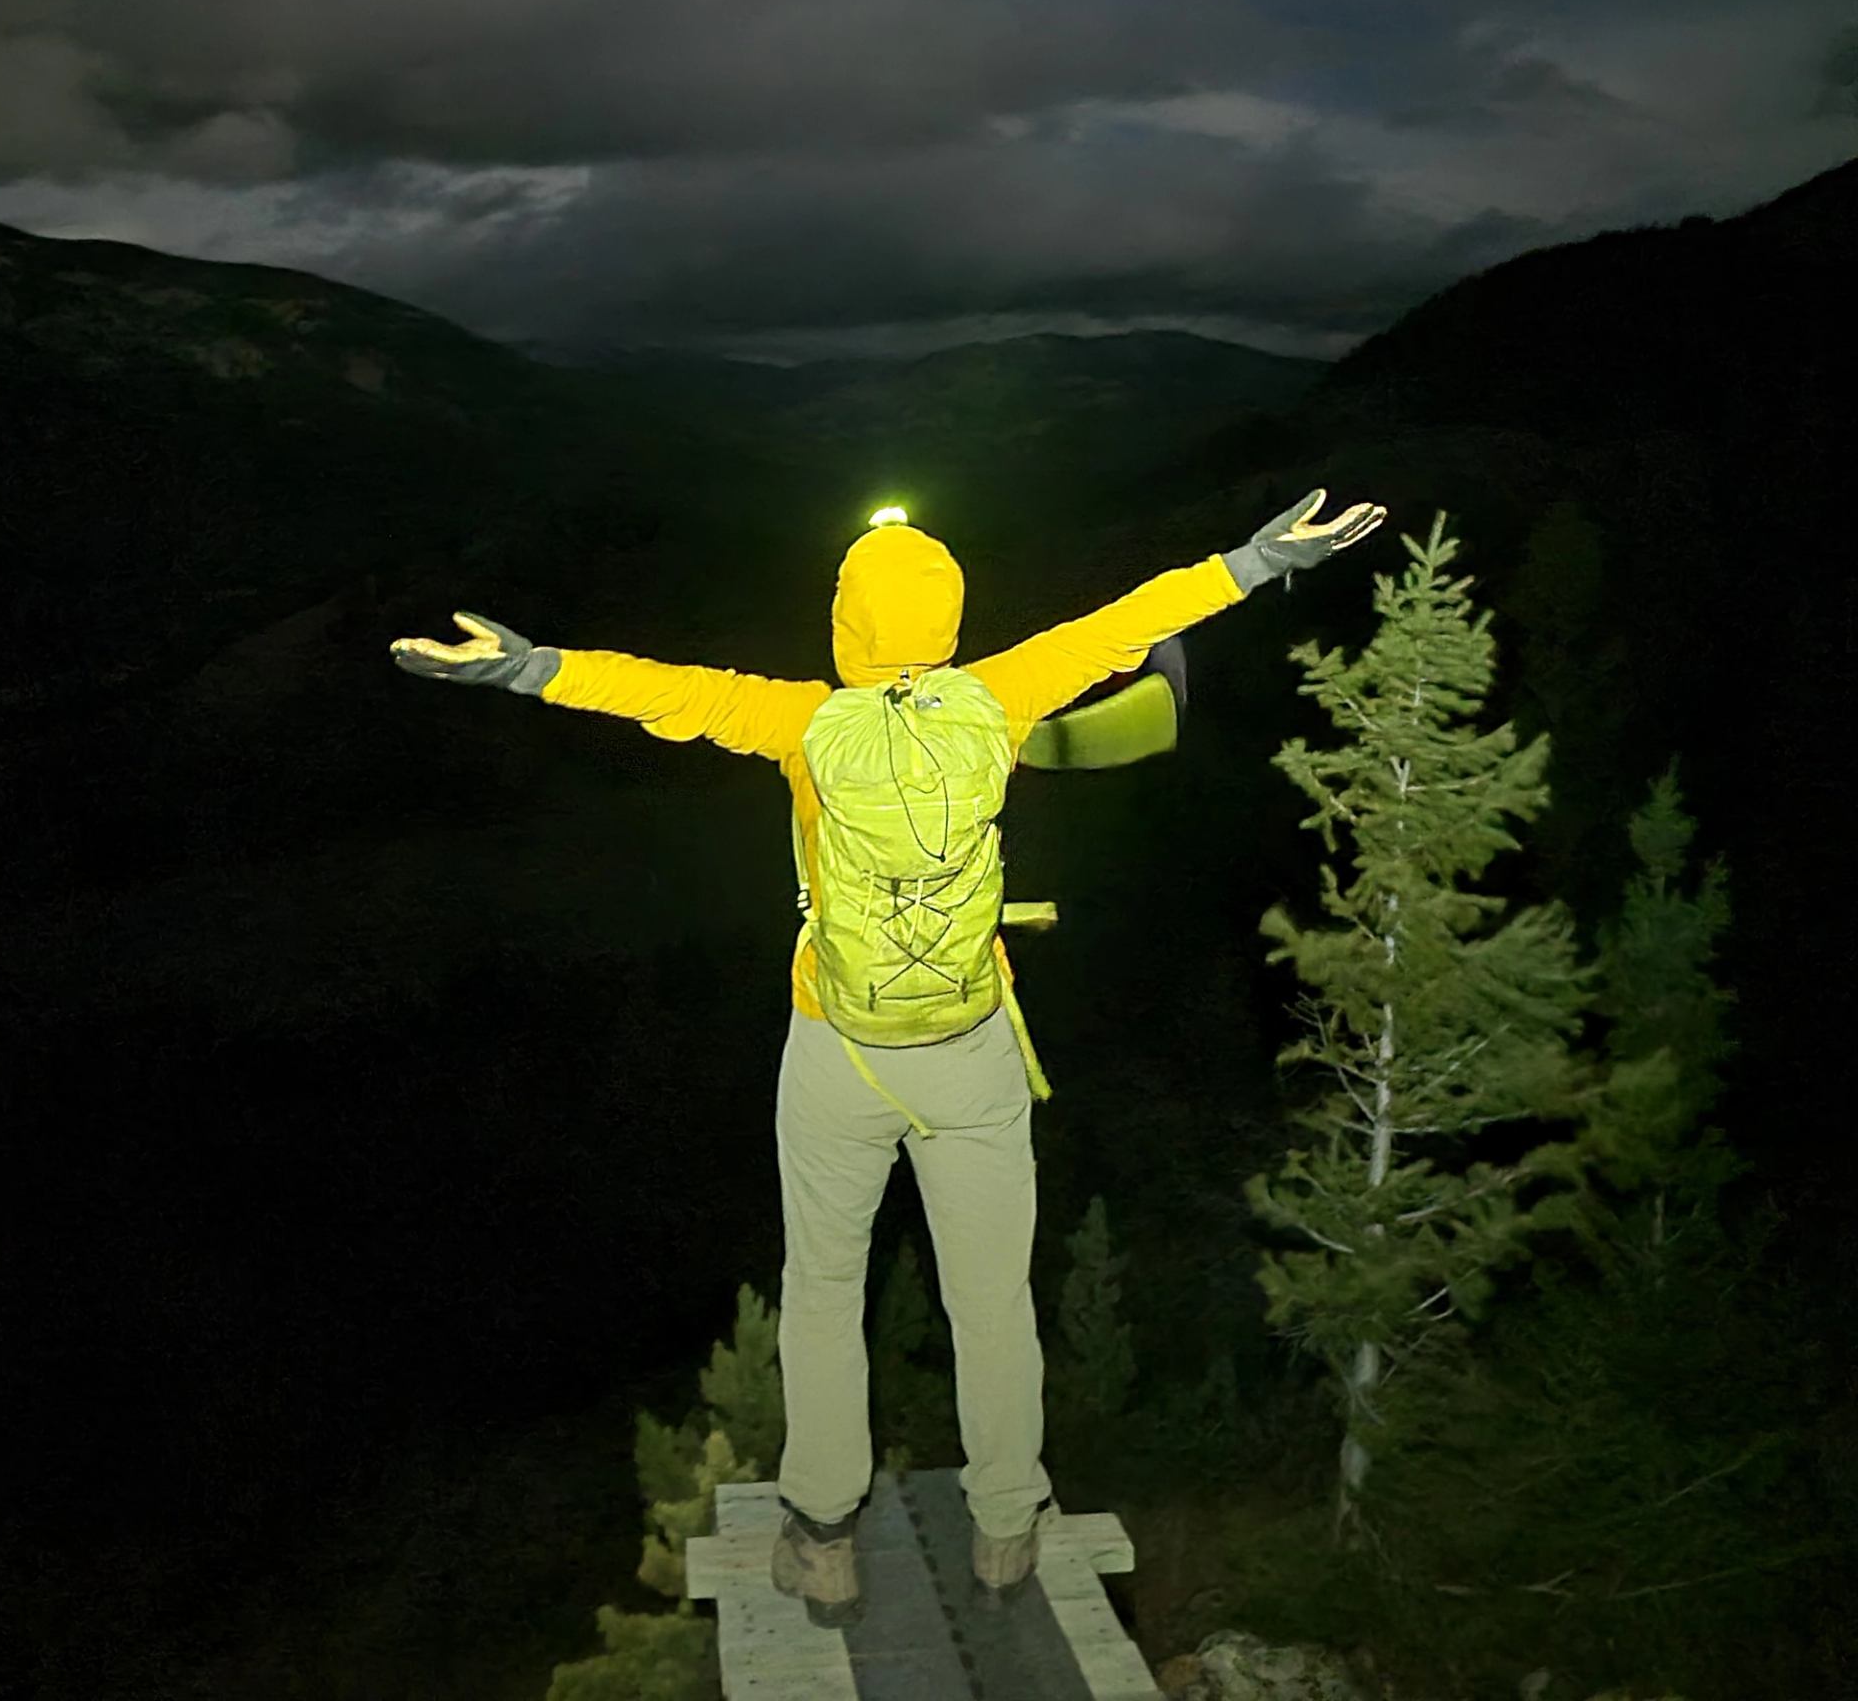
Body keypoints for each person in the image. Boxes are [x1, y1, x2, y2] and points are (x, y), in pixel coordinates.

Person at [390, 486, 1384, 1625]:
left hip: (838, 1053)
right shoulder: (1000, 697)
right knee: (992, 1301)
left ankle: (822, 1540)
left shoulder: (801, 724)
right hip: (970, 1049)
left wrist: (526, 667)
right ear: (950, 617)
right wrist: (1257, 560)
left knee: (822, 1292)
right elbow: (1122, 627)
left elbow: (664, 692)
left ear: (843, 625)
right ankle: (1005, 1529)